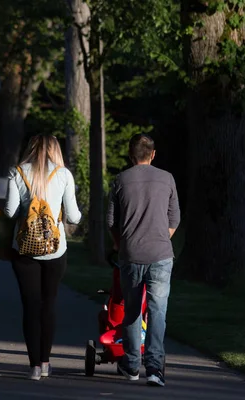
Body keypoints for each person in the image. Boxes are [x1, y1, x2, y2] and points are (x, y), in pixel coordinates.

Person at [4, 134, 82, 381]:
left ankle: (34, 366)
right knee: (49, 304)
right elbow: (73, 216)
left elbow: (10, 211)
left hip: (24, 249)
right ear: (55, 151)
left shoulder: (17, 172)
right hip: (55, 250)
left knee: (30, 306)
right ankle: (46, 362)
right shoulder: (63, 174)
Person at [107, 133, 180, 387]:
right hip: (161, 253)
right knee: (158, 311)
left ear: (130, 154)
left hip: (131, 254)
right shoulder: (167, 179)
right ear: (153, 154)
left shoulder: (120, 180)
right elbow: (175, 219)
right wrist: (161, 237)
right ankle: (155, 368)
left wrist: (119, 243)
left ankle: (131, 364)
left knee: (132, 310)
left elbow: (111, 221)